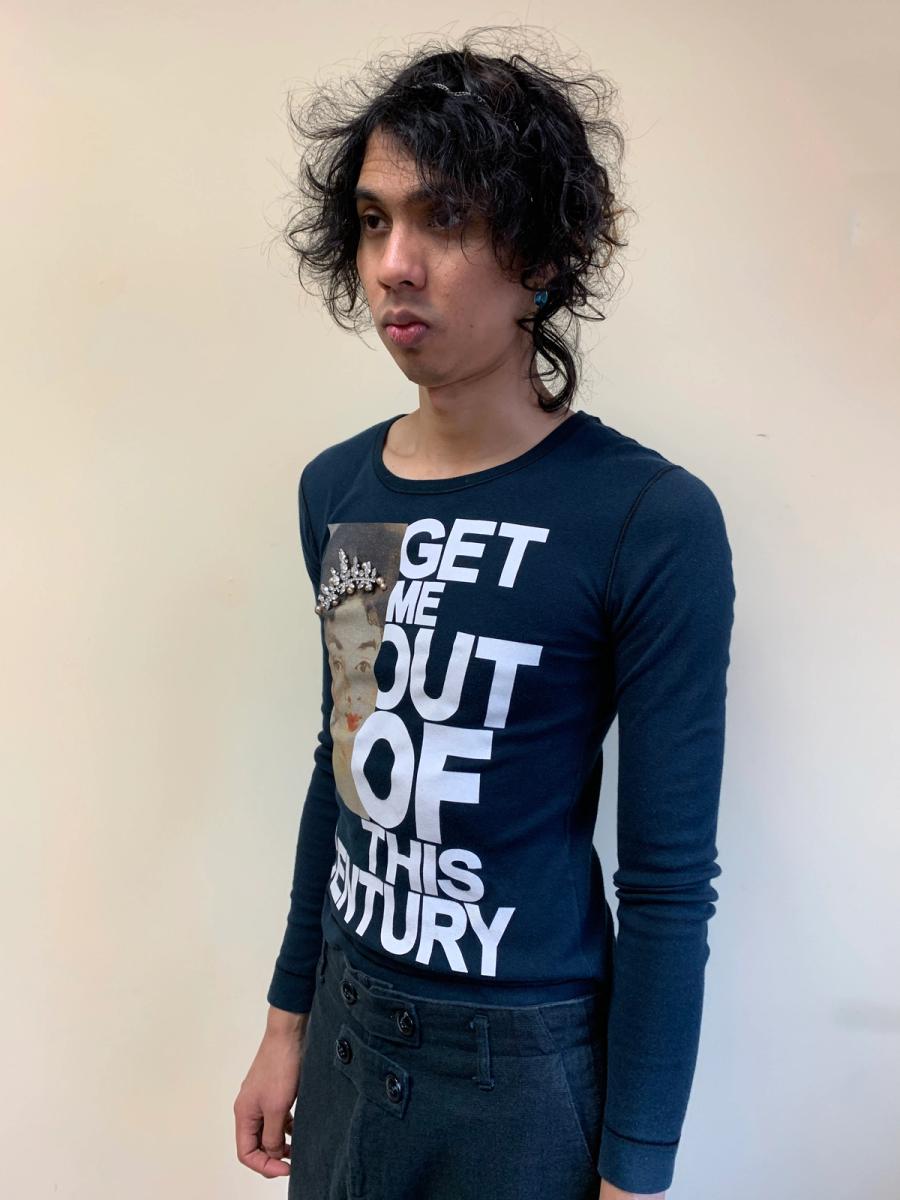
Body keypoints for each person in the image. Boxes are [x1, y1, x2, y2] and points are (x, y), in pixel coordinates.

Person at [233, 27, 735, 1200]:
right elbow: (346, 768)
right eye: (373, 220)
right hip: (347, 1034)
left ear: (544, 254)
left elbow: (668, 884)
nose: (394, 264)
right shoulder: (340, 493)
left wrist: (636, 1170)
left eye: (445, 219)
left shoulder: (644, 520)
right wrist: (286, 1018)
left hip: (518, 1070)